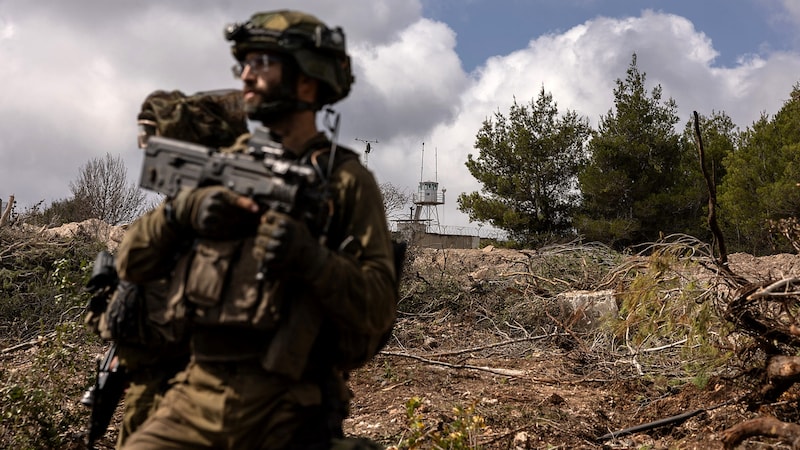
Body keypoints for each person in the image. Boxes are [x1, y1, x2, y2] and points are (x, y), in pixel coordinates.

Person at [118, 9, 398, 450]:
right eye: (243, 64)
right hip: (195, 393)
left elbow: (379, 308)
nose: (246, 76)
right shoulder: (224, 162)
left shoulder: (344, 181)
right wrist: (185, 211)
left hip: (290, 405)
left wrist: (312, 260)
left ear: (307, 78)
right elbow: (131, 262)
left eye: (262, 62)